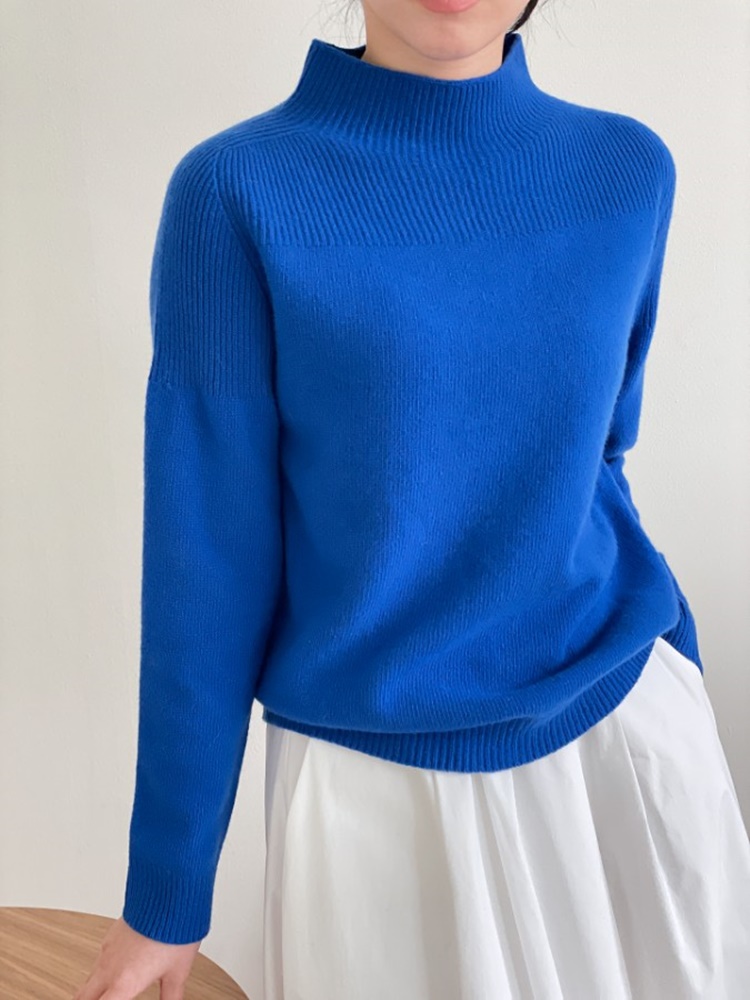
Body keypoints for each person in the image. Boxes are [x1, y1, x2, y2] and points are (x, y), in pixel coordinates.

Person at [74, 1, 750, 998]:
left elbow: (600, 460)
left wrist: (676, 663)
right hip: (376, 792)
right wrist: (166, 897)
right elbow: (206, 566)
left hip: (628, 751)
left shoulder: (626, 170)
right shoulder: (237, 193)